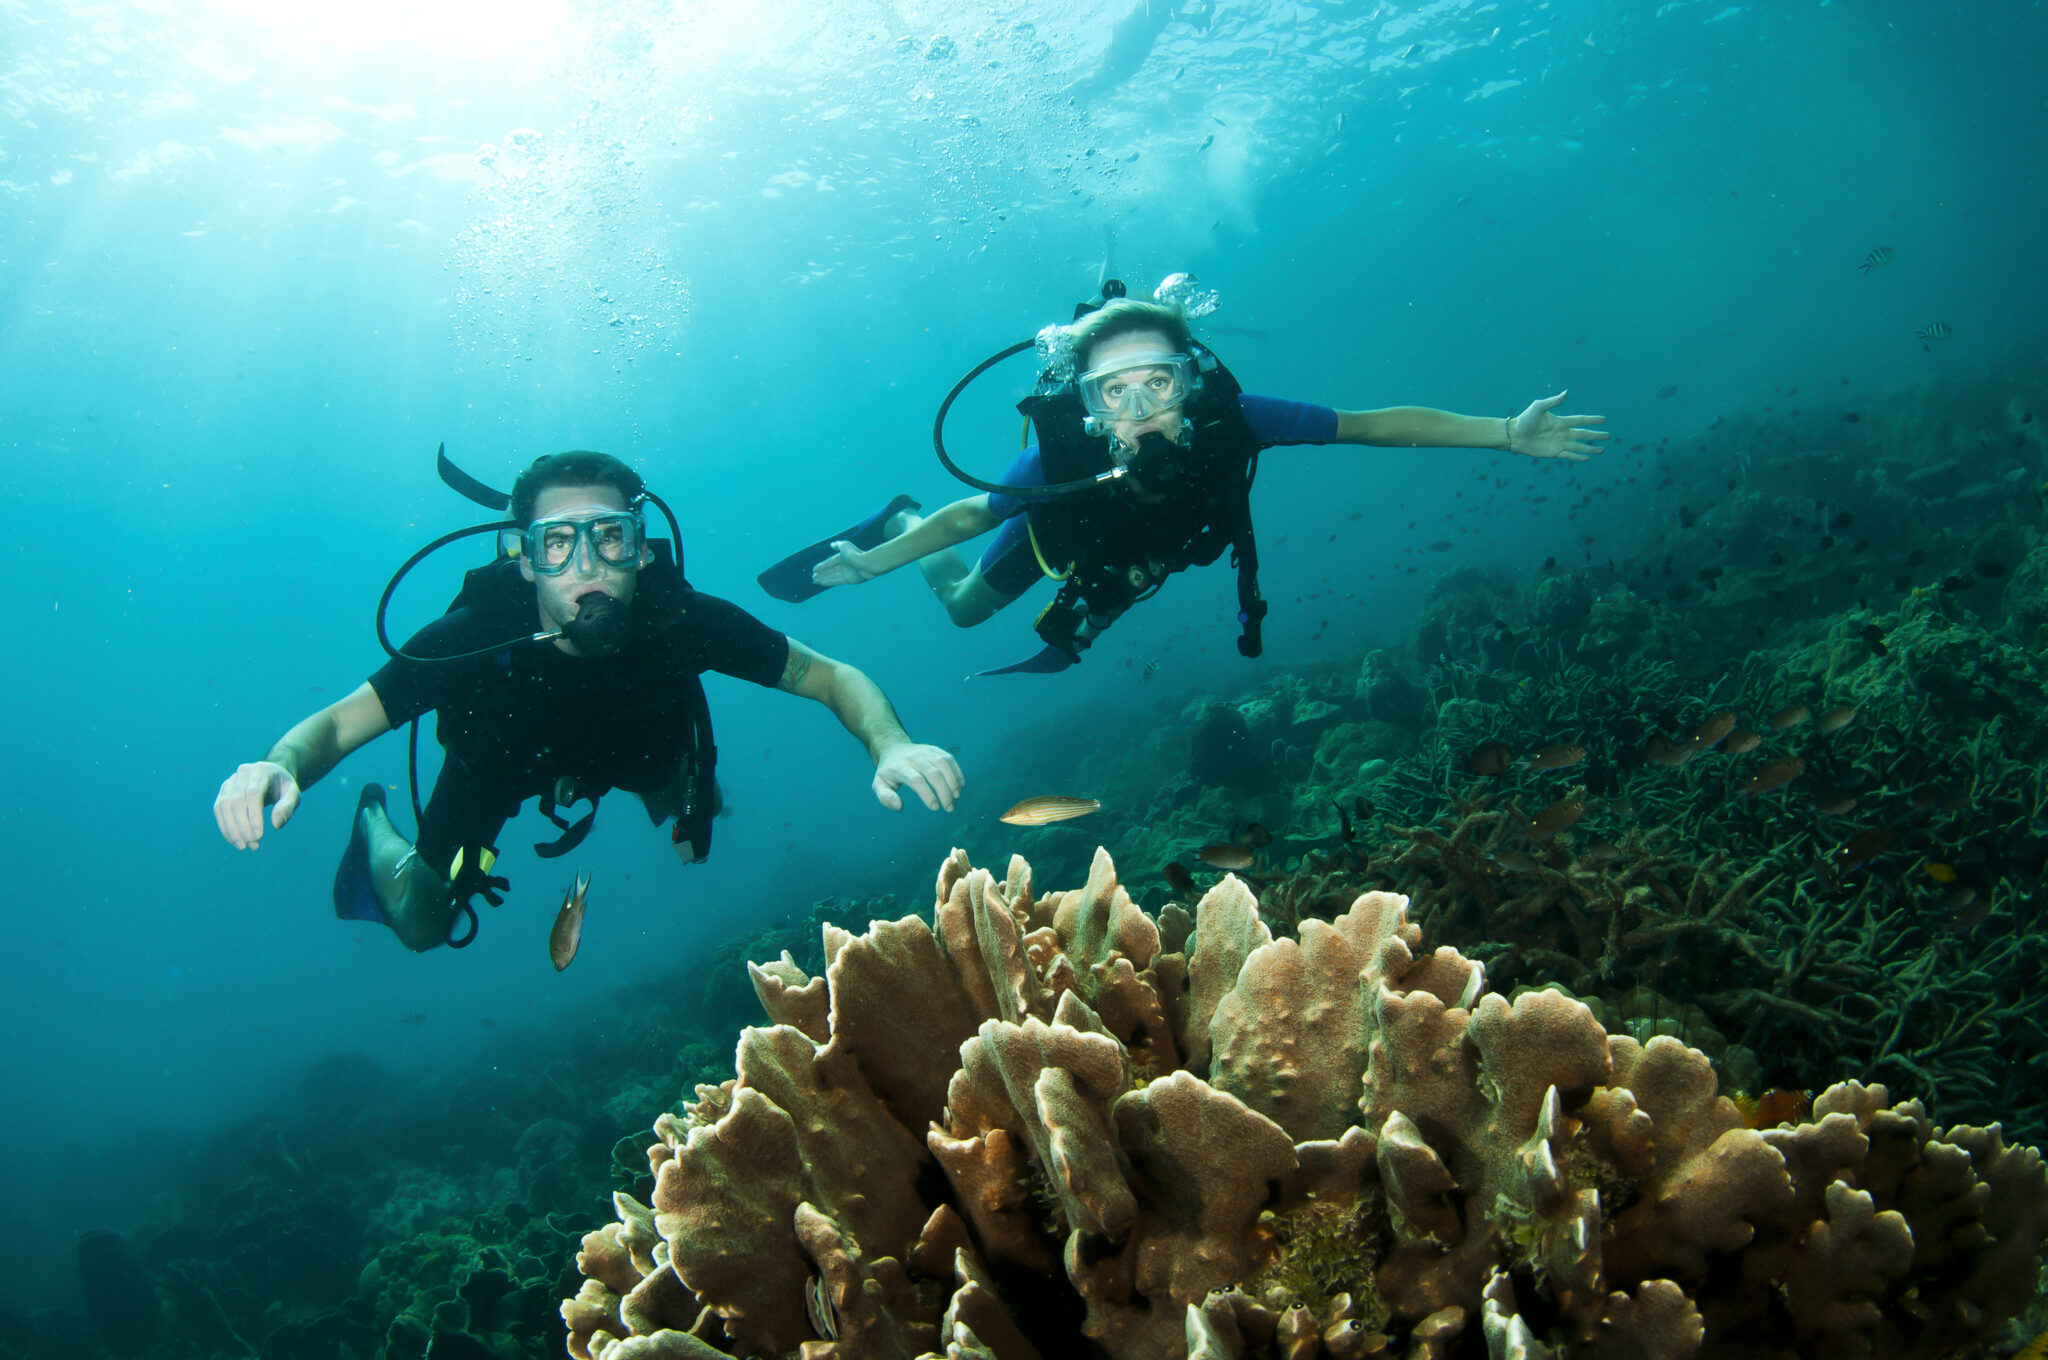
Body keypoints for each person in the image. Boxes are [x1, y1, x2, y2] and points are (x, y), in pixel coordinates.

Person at [214, 450, 963, 953]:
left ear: (641, 547)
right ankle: (377, 824)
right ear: (524, 558)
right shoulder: (471, 638)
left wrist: (890, 743)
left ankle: (667, 793)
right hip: (497, 766)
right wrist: (278, 766)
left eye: (609, 539)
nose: (586, 568)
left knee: (690, 805)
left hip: (640, 744)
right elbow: (341, 721)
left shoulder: (681, 621)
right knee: (421, 926)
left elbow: (830, 677)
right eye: (557, 545)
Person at [760, 293, 1607, 672]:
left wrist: (1504, 433)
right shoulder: (1063, 459)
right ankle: (890, 515)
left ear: (1190, 380)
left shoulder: (1236, 416)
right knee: (966, 610)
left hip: (1138, 558)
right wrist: (879, 560)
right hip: (1065, 537)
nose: (1138, 408)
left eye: (1156, 382)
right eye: (1111, 391)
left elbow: (1371, 424)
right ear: (1086, 404)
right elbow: (969, 516)